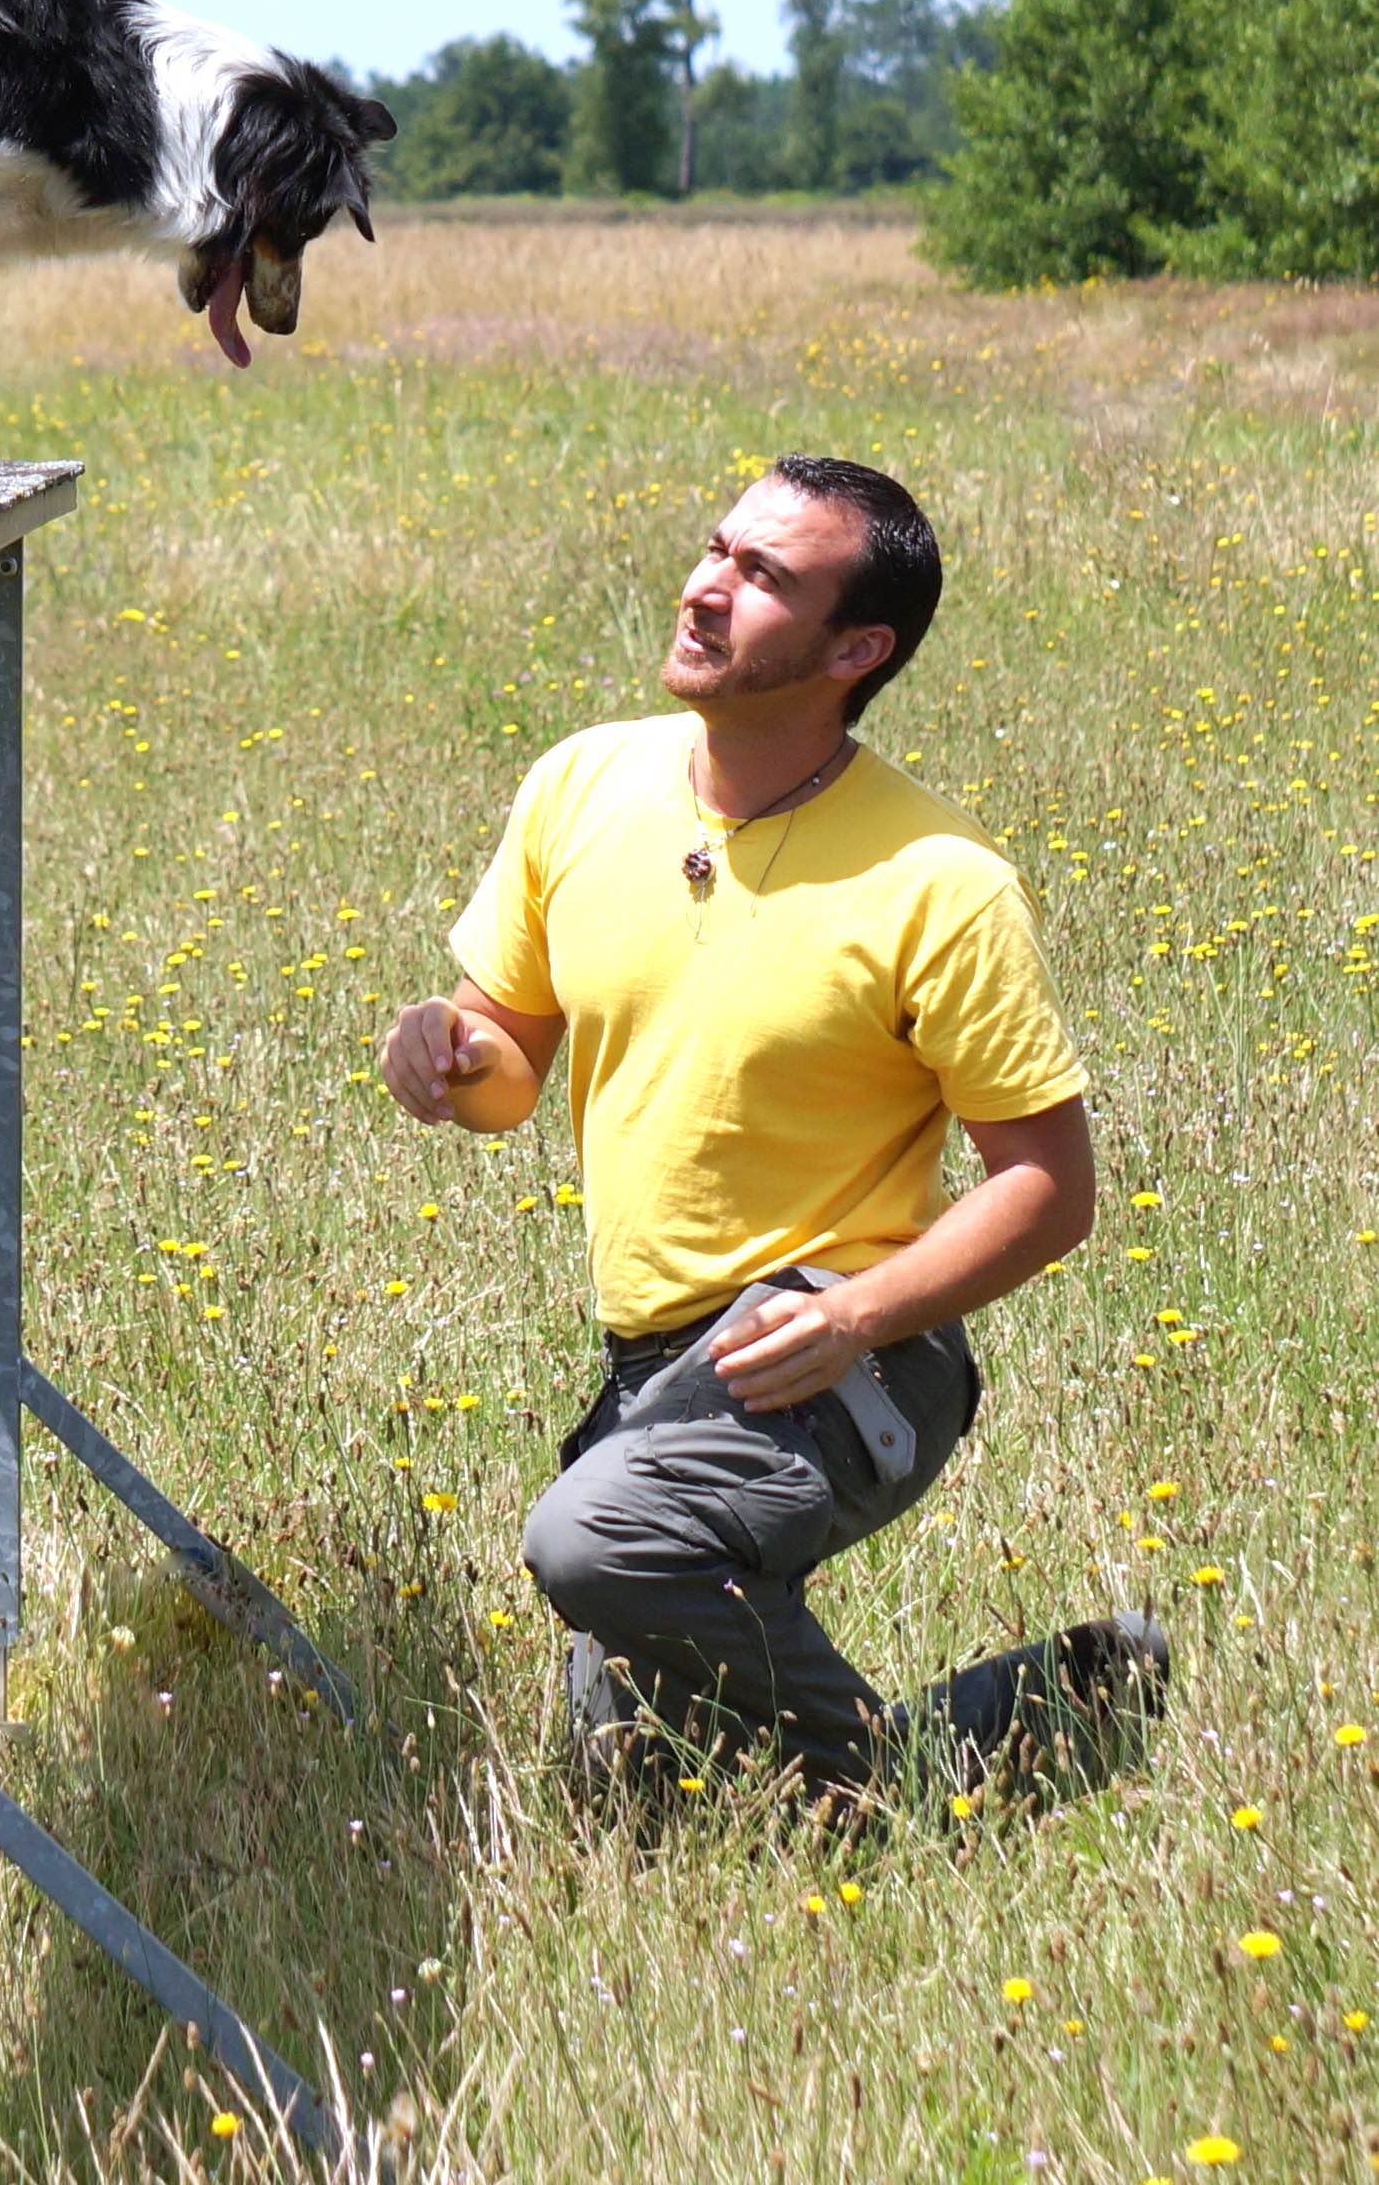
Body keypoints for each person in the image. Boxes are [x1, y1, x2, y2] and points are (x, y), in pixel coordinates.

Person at [378, 455, 1167, 1824]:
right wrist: (444, 1055)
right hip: (648, 1368)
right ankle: (1048, 1709)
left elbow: (1047, 1190)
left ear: (854, 648)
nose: (704, 589)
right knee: (640, 1804)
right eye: (715, 550)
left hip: (841, 1356)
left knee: (585, 1545)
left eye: (761, 578)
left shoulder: (938, 884)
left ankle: (915, 1786)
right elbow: (507, 1062)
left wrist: (858, 1315)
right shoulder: (580, 785)